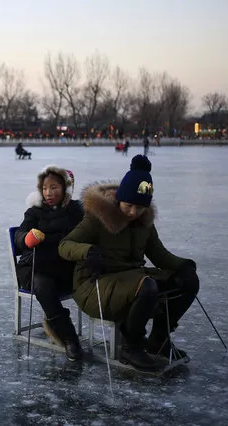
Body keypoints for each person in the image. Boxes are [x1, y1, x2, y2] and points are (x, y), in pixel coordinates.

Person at [59, 155, 199, 372]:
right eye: (129, 205)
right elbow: (65, 245)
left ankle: (159, 340)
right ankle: (131, 346)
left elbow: (159, 254)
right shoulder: (97, 218)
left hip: (131, 278)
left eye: (141, 207)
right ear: (119, 199)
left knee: (187, 280)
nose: (134, 212)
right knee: (147, 286)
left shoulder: (143, 222)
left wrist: (184, 265)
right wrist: (87, 251)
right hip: (94, 284)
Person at [14, 166, 85, 361]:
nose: (48, 193)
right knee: (43, 285)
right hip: (36, 267)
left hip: (65, 267)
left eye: (54, 187)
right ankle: (70, 338)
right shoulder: (35, 211)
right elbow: (20, 233)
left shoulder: (78, 210)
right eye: (45, 188)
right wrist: (26, 239)